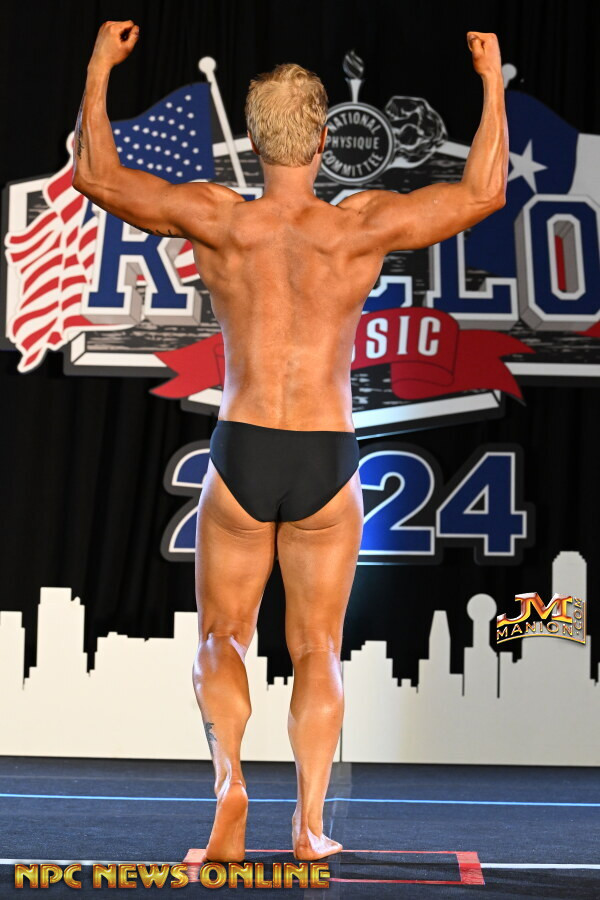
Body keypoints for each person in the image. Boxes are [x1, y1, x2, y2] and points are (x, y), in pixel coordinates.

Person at [73, 21, 508, 863]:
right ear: (320, 140)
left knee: (221, 635)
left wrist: (98, 69)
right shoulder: (358, 225)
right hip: (325, 455)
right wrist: (491, 81)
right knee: (317, 646)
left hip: (242, 448)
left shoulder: (218, 218)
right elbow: (482, 191)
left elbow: (95, 174)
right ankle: (308, 826)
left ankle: (228, 785)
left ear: (253, 138)